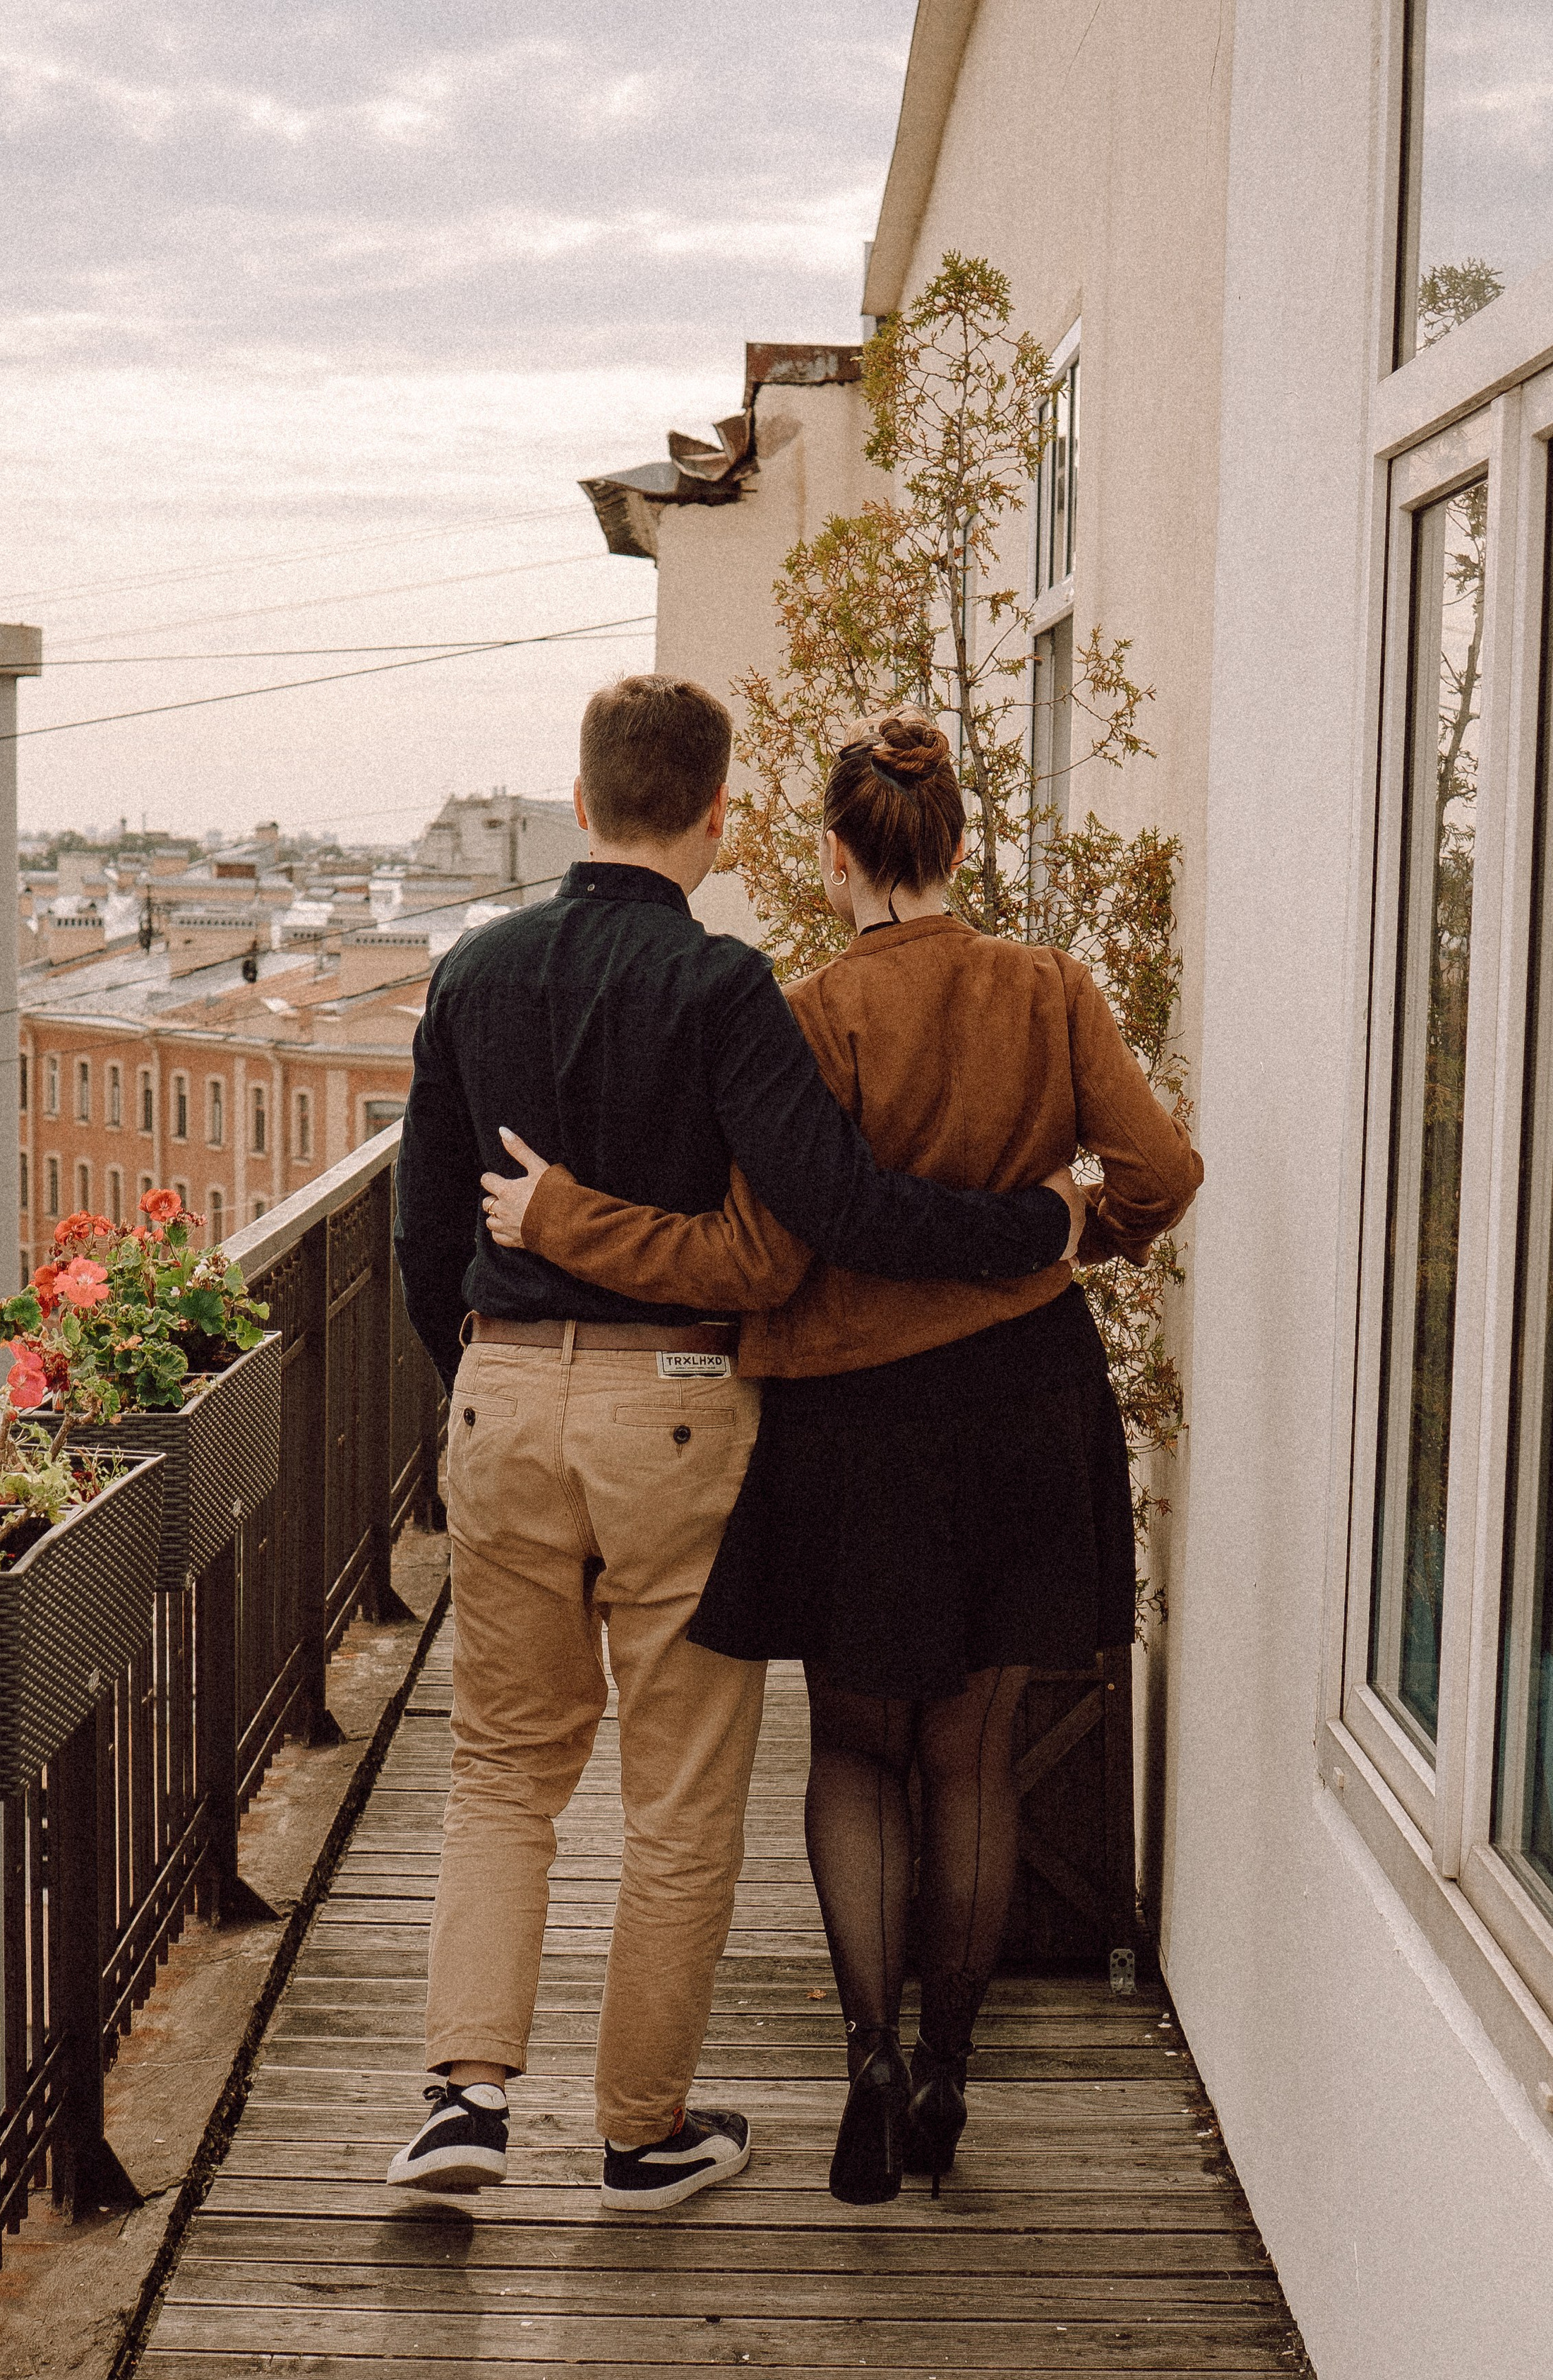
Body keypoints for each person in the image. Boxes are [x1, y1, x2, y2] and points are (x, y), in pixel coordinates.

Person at [478, 710, 1202, 2204]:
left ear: (827, 851)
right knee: (974, 1753)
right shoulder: (1049, 990)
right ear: (956, 847)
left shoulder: (804, 1013)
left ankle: (866, 2053)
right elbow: (1162, 1173)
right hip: (1019, 1404)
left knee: (859, 1750)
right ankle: (947, 2069)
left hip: (854, 1423)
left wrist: (558, 1223)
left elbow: (759, 1249)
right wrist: (1072, 1229)